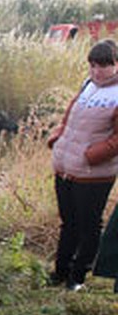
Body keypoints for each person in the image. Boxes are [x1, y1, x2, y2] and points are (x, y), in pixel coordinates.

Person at [47, 39, 118, 291]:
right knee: (69, 223)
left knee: (89, 227)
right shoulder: (87, 85)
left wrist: (91, 156)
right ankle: (60, 272)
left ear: (116, 65)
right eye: (93, 66)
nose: (97, 71)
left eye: (103, 66)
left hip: (94, 175)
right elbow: (69, 119)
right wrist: (57, 139)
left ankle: (77, 278)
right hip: (66, 168)